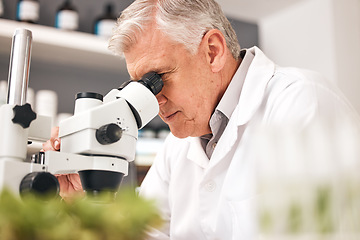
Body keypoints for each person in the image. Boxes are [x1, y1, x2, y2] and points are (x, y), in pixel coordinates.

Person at [43, 0, 360, 239]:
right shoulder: (176, 147)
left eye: (158, 78)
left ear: (212, 51)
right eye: (139, 87)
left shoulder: (301, 104)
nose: (152, 100)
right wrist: (86, 202)